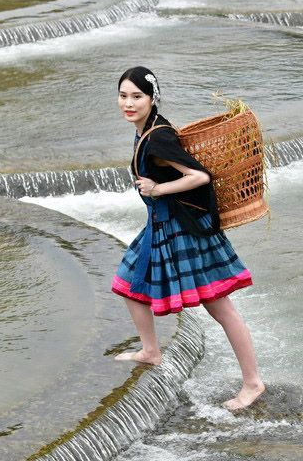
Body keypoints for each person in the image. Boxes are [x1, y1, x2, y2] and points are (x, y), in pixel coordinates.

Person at [111, 67, 265, 411]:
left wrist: (158, 188)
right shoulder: (147, 130)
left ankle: (253, 383)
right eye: (123, 96)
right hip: (161, 227)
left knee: (221, 309)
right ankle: (150, 351)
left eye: (137, 96)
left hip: (185, 232)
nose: (129, 103)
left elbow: (199, 176)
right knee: (128, 284)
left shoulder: (158, 138)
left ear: (152, 99)